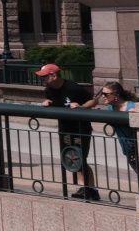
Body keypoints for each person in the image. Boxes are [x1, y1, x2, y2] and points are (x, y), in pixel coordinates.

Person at [38, 64, 100, 200]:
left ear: (54, 75)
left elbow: (93, 100)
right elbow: (57, 104)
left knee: (80, 157)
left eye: (44, 76)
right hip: (64, 128)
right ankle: (83, 188)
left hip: (80, 128)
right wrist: (47, 103)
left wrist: (81, 106)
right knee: (71, 158)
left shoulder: (73, 88)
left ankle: (91, 189)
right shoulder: (49, 90)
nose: (42, 79)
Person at [91, 80, 139, 174]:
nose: (103, 96)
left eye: (106, 94)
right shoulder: (111, 107)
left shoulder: (132, 106)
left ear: (116, 96)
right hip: (127, 149)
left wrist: (138, 113)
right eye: (102, 93)